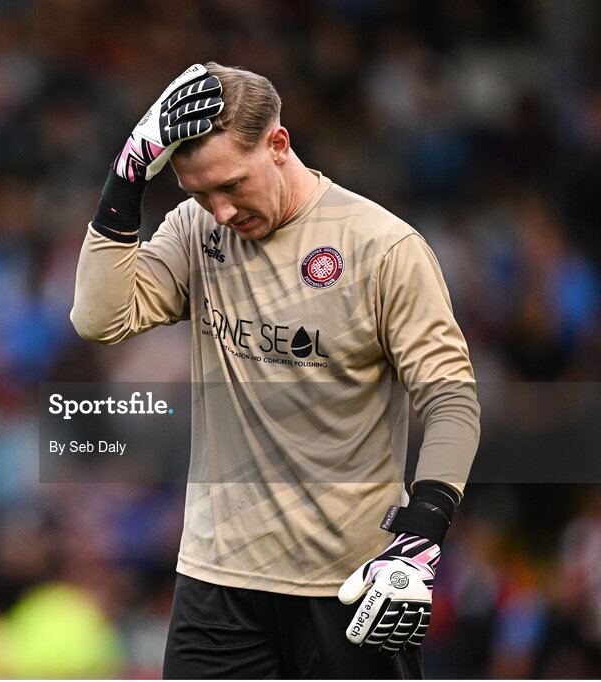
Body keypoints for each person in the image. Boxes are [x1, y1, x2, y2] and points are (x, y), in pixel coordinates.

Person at [70, 63, 480, 678]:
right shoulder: (195, 230)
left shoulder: (382, 247)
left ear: (279, 144)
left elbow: (451, 402)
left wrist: (422, 531)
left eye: (232, 184)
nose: (223, 211)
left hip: (351, 587)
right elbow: (99, 318)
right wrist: (127, 175)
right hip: (217, 579)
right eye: (200, 193)